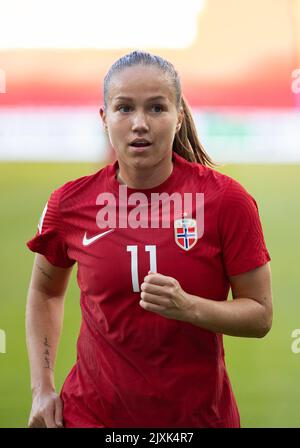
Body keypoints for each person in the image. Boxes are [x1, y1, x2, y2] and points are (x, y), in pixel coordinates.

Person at [25, 50, 273, 428]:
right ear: (104, 118)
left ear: (179, 117)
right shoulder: (69, 204)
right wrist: (42, 388)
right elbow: (45, 292)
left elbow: (260, 315)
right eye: (124, 108)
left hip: (197, 420)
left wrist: (189, 307)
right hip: (90, 417)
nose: (139, 123)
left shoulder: (227, 201)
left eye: (157, 108)